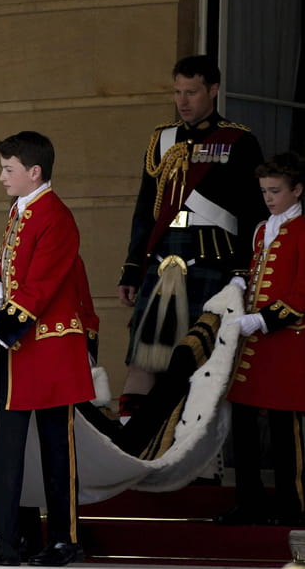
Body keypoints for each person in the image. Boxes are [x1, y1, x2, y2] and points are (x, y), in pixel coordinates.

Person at [0, 131, 95, 567]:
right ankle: (4, 534)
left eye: (8, 169)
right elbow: (10, 270)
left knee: (56, 449)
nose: (1, 177)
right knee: (7, 445)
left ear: (34, 171)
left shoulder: (56, 215)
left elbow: (40, 288)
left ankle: (64, 540)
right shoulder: (21, 210)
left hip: (50, 348)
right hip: (20, 347)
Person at [117, 55, 266, 419]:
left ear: (213, 90)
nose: (182, 101)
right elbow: (145, 209)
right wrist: (132, 267)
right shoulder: (162, 139)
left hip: (212, 258)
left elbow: (252, 213)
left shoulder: (239, 140)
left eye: (192, 92)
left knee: (200, 358)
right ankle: (132, 441)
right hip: (161, 257)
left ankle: (191, 445)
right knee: (143, 357)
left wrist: (242, 272)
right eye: (178, 92)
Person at [217, 152, 305, 526]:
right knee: (244, 423)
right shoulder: (261, 229)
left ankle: (294, 505)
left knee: (286, 430)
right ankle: (248, 501)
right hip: (254, 347)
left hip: (287, 343)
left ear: (297, 190)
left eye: (275, 191)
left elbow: (301, 294)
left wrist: (262, 319)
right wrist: (240, 286)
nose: (268, 198)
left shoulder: (302, 230)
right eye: (264, 191)